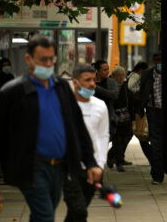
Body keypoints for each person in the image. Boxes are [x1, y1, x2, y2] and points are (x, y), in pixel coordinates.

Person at [0, 35, 102, 222]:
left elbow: (78, 128)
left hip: (59, 166)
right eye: (43, 59)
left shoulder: (61, 88)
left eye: (51, 59)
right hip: (31, 166)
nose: (48, 64)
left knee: (44, 211)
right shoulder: (13, 92)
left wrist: (90, 162)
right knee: (45, 216)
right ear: (29, 59)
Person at [63, 64, 109, 222]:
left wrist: (101, 164)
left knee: (76, 213)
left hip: (92, 168)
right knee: (80, 211)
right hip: (69, 169)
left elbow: (103, 136)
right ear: (75, 83)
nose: (92, 84)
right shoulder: (64, 106)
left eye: (94, 80)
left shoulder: (100, 106)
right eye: (87, 80)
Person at [140, 53, 164, 185]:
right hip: (153, 111)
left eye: (161, 60)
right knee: (155, 144)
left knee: (165, 143)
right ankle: (157, 174)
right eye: (157, 61)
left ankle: (163, 168)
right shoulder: (148, 74)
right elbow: (141, 91)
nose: (159, 63)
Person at [107, 66, 133, 172]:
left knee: (126, 137)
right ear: (114, 76)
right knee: (117, 139)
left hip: (125, 116)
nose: (121, 77)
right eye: (119, 75)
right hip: (114, 116)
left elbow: (130, 100)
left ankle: (110, 155)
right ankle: (118, 163)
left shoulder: (125, 87)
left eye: (123, 75)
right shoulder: (110, 86)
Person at [128, 62, 153, 162]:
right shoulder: (136, 76)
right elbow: (131, 88)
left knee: (136, 135)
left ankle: (114, 157)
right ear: (141, 70)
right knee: (141, 136)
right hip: (136, 110)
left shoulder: (135, 76)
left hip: (137, 109)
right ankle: (152, 159)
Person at [93, 60, 118, 141]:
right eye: (105, 70)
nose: (107, 72)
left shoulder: (111, 82)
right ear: (98, 71)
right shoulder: (90, 81)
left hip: (107, 118)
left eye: (108, 69)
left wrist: (97, 88)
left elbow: (114, 95)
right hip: (93, 117)